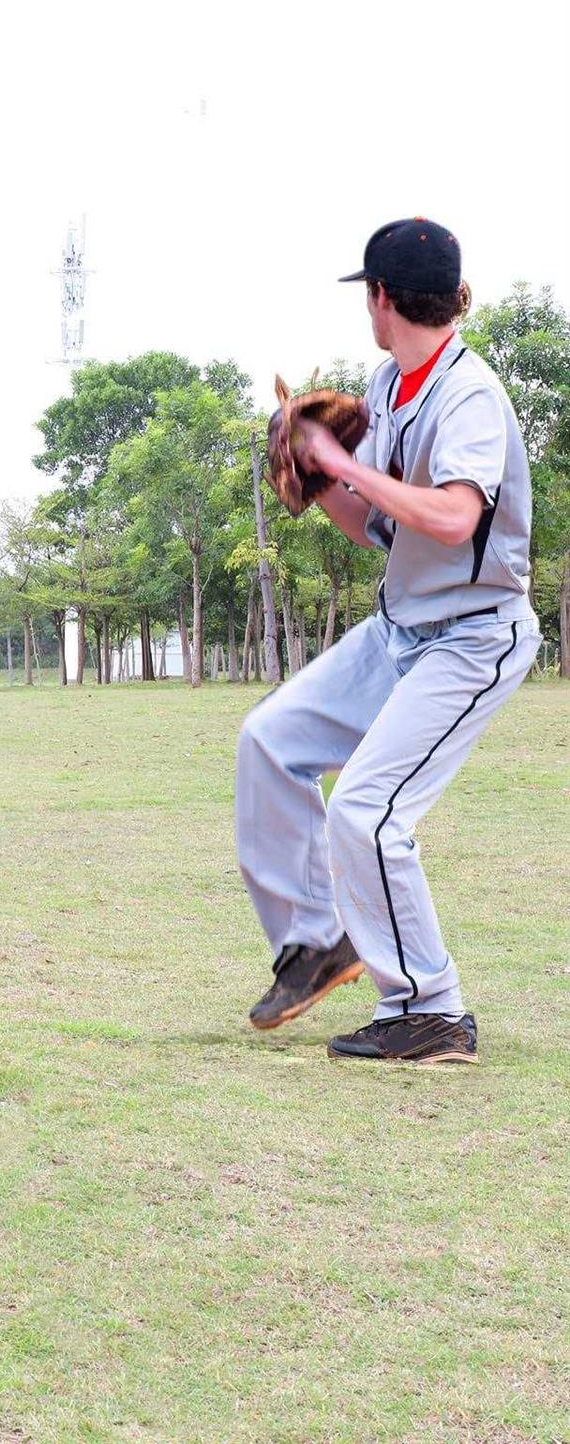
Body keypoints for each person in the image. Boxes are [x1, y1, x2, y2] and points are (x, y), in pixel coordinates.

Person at [237, 217, 539, 1065]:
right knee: (270, 739)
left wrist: (346, 457)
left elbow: (452, 516)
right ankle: (317, 943)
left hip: (473, 639)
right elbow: (378, 527)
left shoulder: (468, 393)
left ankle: (431, 1009)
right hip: (403, 627)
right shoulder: (391, 382)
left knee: (368, 811)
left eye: (364, 294)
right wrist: (317, 469)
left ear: (382, 297)